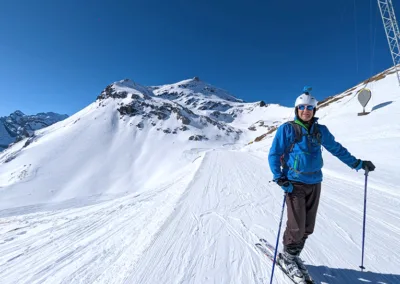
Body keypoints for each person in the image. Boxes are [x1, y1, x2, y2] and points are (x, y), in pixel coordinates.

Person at [268, 87, 375, 283]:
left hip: (315, 182)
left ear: (314, 110)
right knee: (296, 226)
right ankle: (288, 257)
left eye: (310, 108)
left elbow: (337, 149)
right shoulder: (288, 129)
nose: (306, 111)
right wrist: (279, 177)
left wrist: (358, 163)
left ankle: (293, 254)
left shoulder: (320, 131)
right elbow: (274, 154)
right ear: (297, 109)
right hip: (294, 183)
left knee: (308, 227)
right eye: (302, 107)